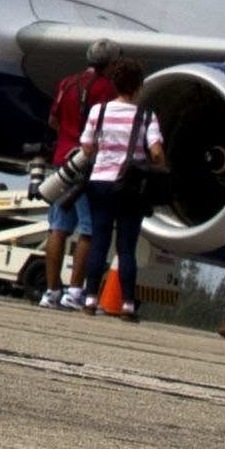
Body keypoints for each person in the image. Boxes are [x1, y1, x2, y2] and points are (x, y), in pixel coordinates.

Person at [75, 66, 156, 318]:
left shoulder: (98, 111)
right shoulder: (146, 116)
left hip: (100, 181)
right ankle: (128, 305)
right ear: (138, 87)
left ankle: (89, 299)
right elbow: (156, 151)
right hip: (130, 186)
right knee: (126, 248)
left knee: (99, 241)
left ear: (115, 85)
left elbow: (87, 146)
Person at [40, 52, 118, 307]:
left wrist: (67, 135)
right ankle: (74, 291)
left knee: (58, 227)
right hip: (87, 164)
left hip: (63, 160)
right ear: (110, 63)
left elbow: (53, 119)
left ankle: (51, 291)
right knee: (88, 229)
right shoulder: (107, 89)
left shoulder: (67, 83)